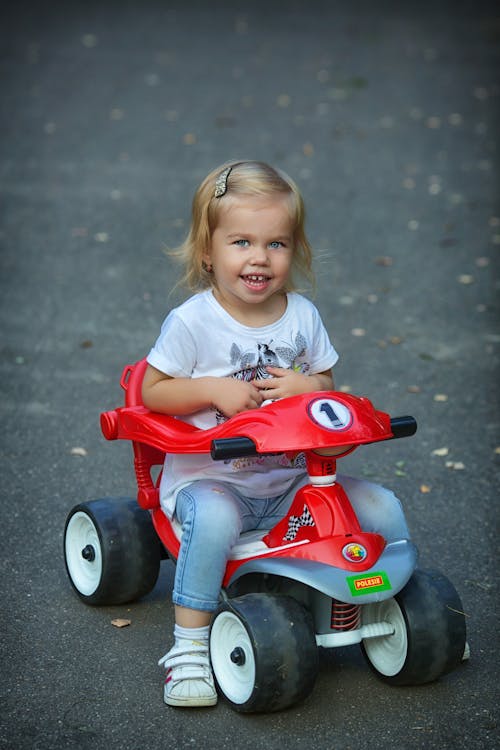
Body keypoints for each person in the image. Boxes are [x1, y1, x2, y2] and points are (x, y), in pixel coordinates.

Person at [142, 160, 410, 708]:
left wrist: (307, 385)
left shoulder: (302, 317)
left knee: (380, 505)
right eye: (241, 241)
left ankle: (397, 610)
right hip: (214, 481)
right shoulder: (194, 322)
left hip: (293, 481)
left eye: (277, 244)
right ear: (208, 252)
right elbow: (153, 392)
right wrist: (212, 389)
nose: (259, 258)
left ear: (295, 250)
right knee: (214, 518)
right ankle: (189, 646)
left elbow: (328, 385)